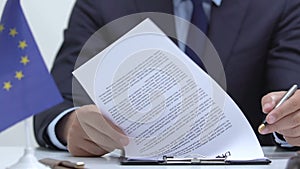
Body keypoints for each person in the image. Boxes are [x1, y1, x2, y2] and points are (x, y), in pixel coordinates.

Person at [34, 0, 300, 156]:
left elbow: (287, 98)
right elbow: (54, 106)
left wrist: (291, 126)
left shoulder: (281, 5)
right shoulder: (104, 4)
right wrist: (70, 126)